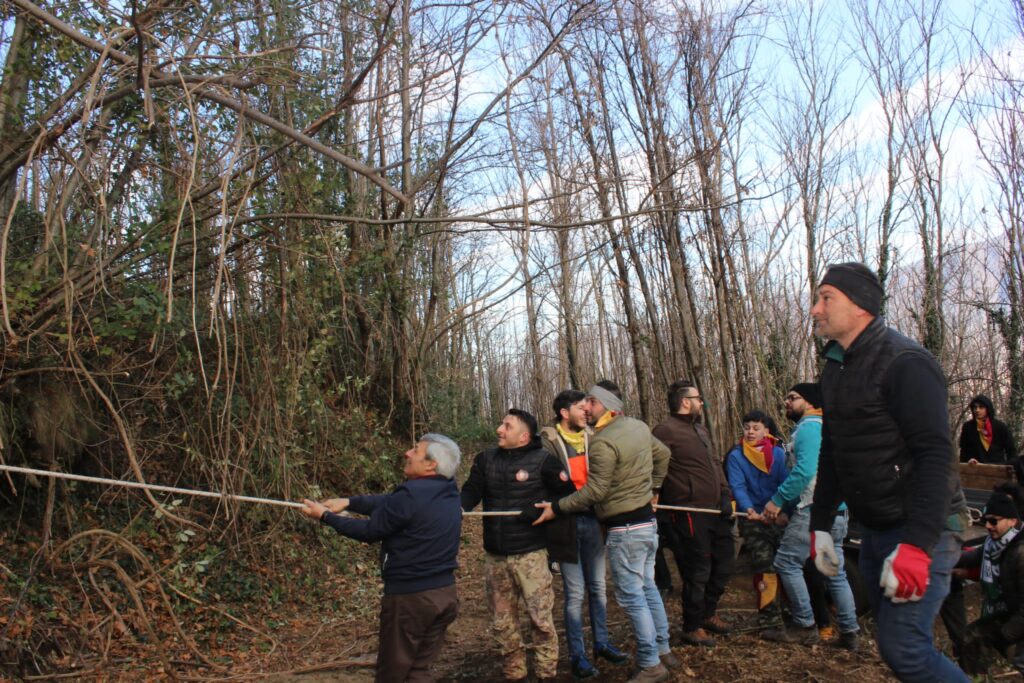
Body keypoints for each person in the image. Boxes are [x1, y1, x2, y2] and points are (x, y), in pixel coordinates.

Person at [808, 261, 970, 683]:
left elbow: (937, 456)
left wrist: (917, 546)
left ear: (860, 306)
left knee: (907, 651)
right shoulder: (836, 367)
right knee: (897, 647)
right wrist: (820, 524)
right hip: (876, 529)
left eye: (826, 298)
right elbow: (834, 449)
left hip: (922, 530)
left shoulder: (906, 362)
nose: (815, 309)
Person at [534, 380, 676, 683]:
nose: (587, 408)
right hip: (647, 524)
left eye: (591, 403)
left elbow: (595, 491)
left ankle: (651, 663)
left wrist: (557, 507)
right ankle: (663, 648)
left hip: (624, 528)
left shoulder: (601, 441)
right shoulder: (638, 426)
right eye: (583, 404)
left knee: (632, 596)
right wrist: (654, 489)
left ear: (607, 406)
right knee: (647, 587)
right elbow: (663, 454)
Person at [300, 434, 462, 683]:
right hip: (445, 596)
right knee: (418, 670)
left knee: (392, 674)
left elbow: (369, 532)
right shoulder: (448, 490)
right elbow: (389, 502)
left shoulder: (410, 495)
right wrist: (349, 502)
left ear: (431, 464)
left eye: (415, 451)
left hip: (411, 600)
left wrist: (325, 517)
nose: (407, 453)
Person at [460, 409, 574, 682]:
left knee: (541, 622)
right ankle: (515, 675)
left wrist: (545, 511)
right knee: (502, 624)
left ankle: (546, 675)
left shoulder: (545, 461)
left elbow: (569, 496)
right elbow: (470, 492)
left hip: (531, 556)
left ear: (523, 437)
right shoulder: (485, 460)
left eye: (506, 426)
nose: (499, 429)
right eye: (501, 424)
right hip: (495, 558)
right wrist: (454, 508)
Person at [761, 383, 860, 649]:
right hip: (837, 512)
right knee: (833, 571)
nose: (786, 402)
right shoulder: (830, 429)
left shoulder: (808, 428)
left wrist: (777, 502)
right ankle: (850, 633)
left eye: (793, 398)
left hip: (814, 511)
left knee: (786, 563)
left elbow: (804, 472)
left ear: (812, 402)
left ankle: (804, 625)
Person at [539, 390, 628, 679]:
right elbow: (550, 482)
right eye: (580, 407)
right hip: (564, 525)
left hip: (594, 522)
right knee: (575, 594)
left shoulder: (595, 438)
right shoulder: (549, 441)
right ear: (565, 413)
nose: (586, 411)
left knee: (598, 588)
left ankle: (602, 643)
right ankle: (578, 655)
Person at [652, 379, 734, 647]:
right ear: (685, 402)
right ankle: (692, 625)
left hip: (715, 510)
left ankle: (708, 613)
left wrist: (725, 493)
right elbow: (652, 466)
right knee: (697, 570)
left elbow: (714, 463)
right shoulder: (665, 431)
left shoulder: (701, 429)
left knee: (724, 565)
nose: (702, 403)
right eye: (699, 399)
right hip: (687, 510)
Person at [725, 410, 789, 626]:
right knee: (764, 567)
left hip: (777, 517)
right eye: (747, 427)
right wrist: (749, 509)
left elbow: (786, 483)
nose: (750, 432)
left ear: (766, 431)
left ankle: (791, 611)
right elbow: (738, 486)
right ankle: (769, 618)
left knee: (787, 566)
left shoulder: (779, 455)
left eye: (756, 428)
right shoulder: (736, 456)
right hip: (751, 518)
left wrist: (782, 511)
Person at [956, 485, 1024, 675]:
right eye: (986, 521)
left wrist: (1003, 635)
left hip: (1018, 617)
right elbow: (971, 558)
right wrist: (940, 558)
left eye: (993, 521)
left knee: (1019, 662)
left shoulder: (1020, 553)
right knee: (972, 638)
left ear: (1012, 521)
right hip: (1009, 612)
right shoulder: (994, 543)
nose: (988, 526)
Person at [960, 394, 1017, 465]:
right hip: (975, 470)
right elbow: (964, 451)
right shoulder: (968, 427)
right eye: (975, 407)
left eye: (981, 407)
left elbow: (1011, 450)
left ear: (988, 408)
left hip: (998, 470)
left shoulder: (1000, 427)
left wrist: (1009, 467)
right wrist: (968, 461)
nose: (977, 410)